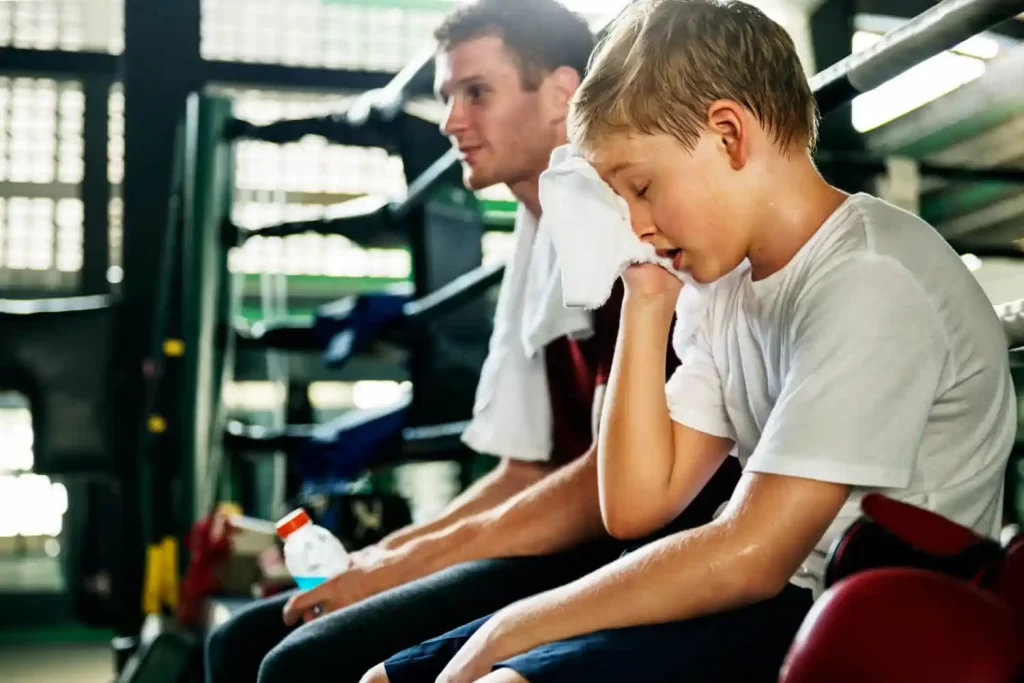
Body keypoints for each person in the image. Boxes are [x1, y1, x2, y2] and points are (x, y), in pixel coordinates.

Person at [363, 1, 1017, 682]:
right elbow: (636, 505)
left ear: (729, 136)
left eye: (642, 187)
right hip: (761, 597)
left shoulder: (869, 277)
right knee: (388, 676)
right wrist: (646, 302)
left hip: (863, 618)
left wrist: (515, 624)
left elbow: (751, 557)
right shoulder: (725, 286)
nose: (635, 226)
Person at [204, 2, 738, 682]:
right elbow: (525, 470)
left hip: (636, 542)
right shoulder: (538, 238)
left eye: (476, 92)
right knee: (241, 639)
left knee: (295, 664)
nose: (451, 120)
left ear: (562, 95)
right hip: (569, 533)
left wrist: (400, 566)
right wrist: (382, 557)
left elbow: (603, 481)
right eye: (447, 96)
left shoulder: (632, 228)